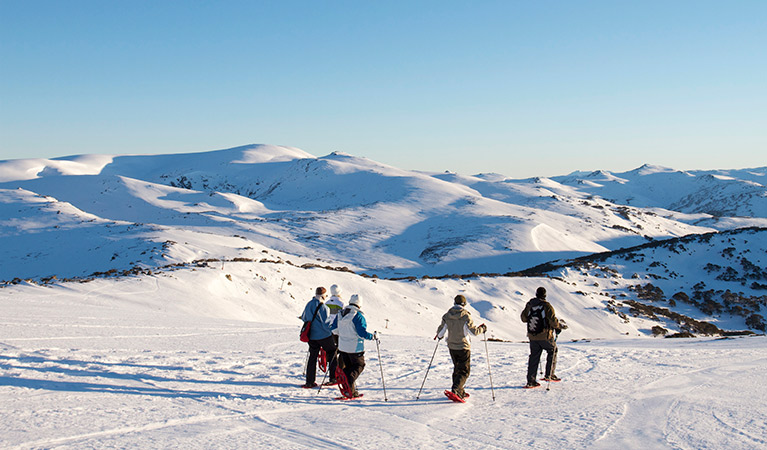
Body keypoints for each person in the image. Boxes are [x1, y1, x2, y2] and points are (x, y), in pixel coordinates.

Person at [435, 294, 487, 401]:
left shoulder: (447, 315)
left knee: (457, 368)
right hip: (463, 346)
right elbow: (474, 332)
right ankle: (457, 389)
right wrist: (482, 328)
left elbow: (441, 332)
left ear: (454, 303)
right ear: (464, 304)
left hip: (452, 346)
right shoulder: (465, 316)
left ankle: (460, 390)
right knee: (464, 371)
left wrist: (439, 337)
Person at [331, 294, 375, 398]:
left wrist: (342, 334)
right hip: (355, 347)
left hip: (343, 347)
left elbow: (333, 329)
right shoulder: (358, 316)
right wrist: (372, 336)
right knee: (359, 366)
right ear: (359, 304)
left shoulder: (340, 314)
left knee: (349, 367)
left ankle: (350, 391)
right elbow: (361, 333)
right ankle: (348, 381)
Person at [520, 286, 564, 388]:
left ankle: (531, 381)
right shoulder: (547, 306)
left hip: (532, 336)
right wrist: (558, 327)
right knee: (552, 350)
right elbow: (553, 321)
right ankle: (549, 374)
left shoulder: (530, 305)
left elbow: (523, 318)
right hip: (545, 336)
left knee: (534, 357)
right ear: (545, 295)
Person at [300, 287, 338, 388]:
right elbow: (326, 323)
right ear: (323, 295)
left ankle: (310, 381)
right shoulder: (323, 307)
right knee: (332, 353)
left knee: (312, 357)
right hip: (323, 335)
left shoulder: (309, 304)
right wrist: (333, 330)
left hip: (311, 336)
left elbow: (304, 317)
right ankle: (333, 377)